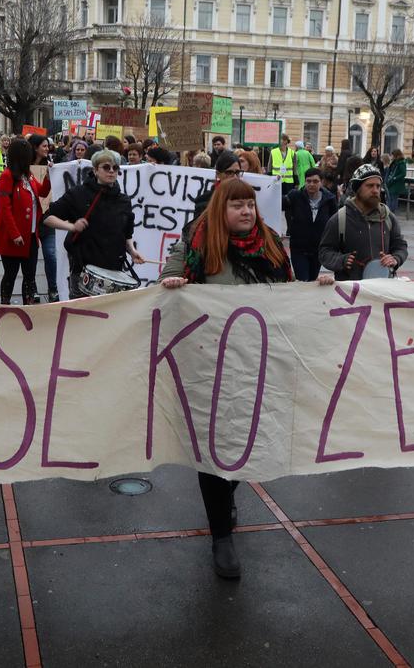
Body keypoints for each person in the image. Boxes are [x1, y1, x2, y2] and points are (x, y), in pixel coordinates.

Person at [160, 178, 333, 578]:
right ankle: (221, 535)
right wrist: (173, 283)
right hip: (209, 370)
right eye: (237, 205)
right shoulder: (198, 240)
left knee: (246, 443)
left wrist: (317, 289)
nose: (245, 211)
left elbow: (289, 293)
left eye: (250, 205)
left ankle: (228, 494)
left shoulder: (270, 242)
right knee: (213, 449)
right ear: (221, 208)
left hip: (258, 364)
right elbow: (170, 272)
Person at [45, 149, 145, 297]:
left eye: (115, 168)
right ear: (95, 170)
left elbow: (126, 233)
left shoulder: (123, 200)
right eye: (106, 167)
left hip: (113, 272)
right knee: (81, 316)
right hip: (83, 270)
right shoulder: (78, 194)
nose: (111, 171)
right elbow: (47, 218)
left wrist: (132, 251)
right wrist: (71, 226)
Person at [319, 163, 408, 281]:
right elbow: (325, 251)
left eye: (378, 186)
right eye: (370, 186)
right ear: (357, 189)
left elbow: (400, 246)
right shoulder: (340, 218)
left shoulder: (388, 217)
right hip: (350, 291)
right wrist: (341, 260)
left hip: (383, 288)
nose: (375, 190)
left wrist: (395, 259)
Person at [0, 138, 51, 305]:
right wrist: (15, 234)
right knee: (10, 275)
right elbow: (5, 209)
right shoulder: (7, 176)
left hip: (31, 235)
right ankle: (5, 304)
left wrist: (48, 177)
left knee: (30, 276)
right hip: (14, 237)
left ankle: (29, 305)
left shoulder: (29, 175)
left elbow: (42, 192)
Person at [283, 167, 337, 280]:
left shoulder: (329, 200)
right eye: (308, 181)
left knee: (312, 280)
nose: (311, 184)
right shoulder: (295, 196)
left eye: (315, 181)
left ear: (321, 182)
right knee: (303, 281)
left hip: (317, 250)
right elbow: (278, 203)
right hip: (299, 248)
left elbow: (334, 222)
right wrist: (276, 184)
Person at [28, 134, 60, 302]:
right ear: (34, 147)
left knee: (50, 254)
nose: (48, 149)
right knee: (30, 258)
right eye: (44, 146)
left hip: (47, 217)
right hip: (31, 220)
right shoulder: (23, 168)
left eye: (48, 146)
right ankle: (32, 288)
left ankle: (53, 289)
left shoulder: (51, 166)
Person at [384, 148, 408, 213]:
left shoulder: (401, 163)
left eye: (392, 155)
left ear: (396, 155)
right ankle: (389, 212)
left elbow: (403, 173)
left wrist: (395, 178)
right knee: (390, 198)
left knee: (393, 199)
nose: (391, 157)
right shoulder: (395, 162)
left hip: (396, 184)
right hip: (392, 183)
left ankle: (391, 213)